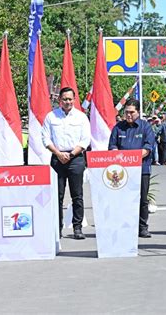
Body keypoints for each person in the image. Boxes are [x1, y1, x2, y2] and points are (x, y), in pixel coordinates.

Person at [42, 87, 91, 240]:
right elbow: (45, 138)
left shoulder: (81, 117)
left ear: (74, 100)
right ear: (59, 100)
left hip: (75, 158)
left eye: (70, 99)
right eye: (64, 99)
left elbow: (85, 140)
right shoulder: (51, 117)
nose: (67, 102)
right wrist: (58, 153)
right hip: (57, 158)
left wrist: (70, 154)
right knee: (58, 196)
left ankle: (77, 228)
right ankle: (57, 228)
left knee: (77, 195)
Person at [108, 99, 156, 238]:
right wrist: (117, 154)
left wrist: (132, 158)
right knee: (123, 199)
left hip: (141, 169)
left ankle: (142, 227)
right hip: (122, 171)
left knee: (142, 199)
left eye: (132, 112)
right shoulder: (118, 127)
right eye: (126, 112)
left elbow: (148, 148)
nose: (128, 115)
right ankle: (125, 225)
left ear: (138, 112)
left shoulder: (145, 127)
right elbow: (112, 146)